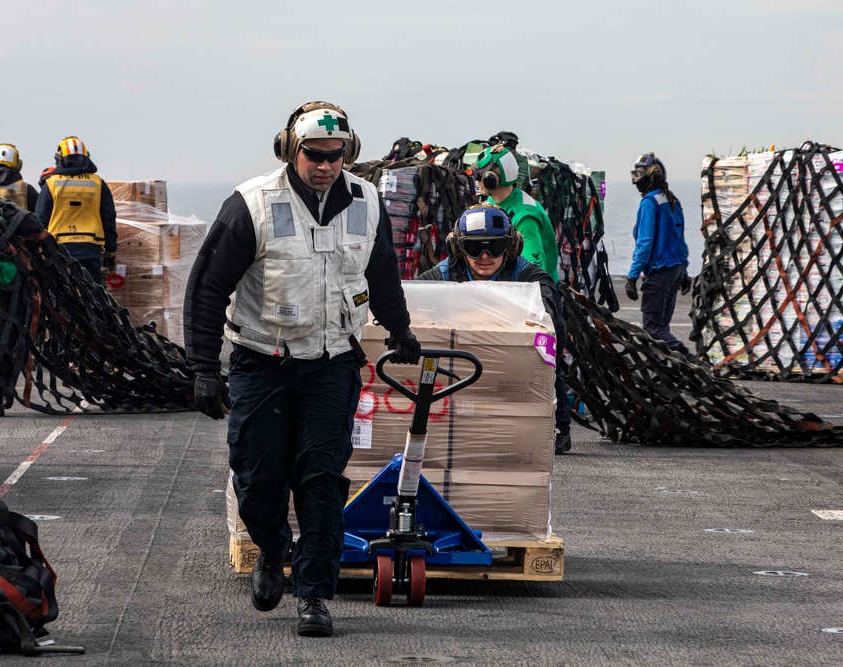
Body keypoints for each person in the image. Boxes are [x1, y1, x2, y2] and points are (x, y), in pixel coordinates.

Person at [183, 100, 420, 638]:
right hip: (261, 362)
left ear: (348, 154)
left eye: (336, 156)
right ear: (291, 150)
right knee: (260, 476)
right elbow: (206, 289)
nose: (326, 166)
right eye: (314, 155)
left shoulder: (366, 202)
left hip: (332, 363)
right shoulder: (253, 204)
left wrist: (399, 327)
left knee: (321, 480)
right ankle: (270, 548)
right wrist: (203, 368)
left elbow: (381, 271)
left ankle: (314, 594)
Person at [418, 204, 573, 453]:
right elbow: (410, 304)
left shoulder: (530, 277)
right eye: (474, 248)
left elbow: (546, 317)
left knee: (548, 352)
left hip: (515, 364)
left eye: (495, 247)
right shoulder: (441, 275)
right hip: (462, 364)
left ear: (511, 247)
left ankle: (560, 426)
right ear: (458, 248)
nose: (485, 256)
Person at [625, 152, 698, 364]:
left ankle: (690, 361)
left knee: (653, 329)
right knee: (661, 327)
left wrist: (632, 276)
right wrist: (684, 272)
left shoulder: (649, 202)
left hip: (658, 273)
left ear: (653, 176)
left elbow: (645, 242)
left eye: (641, 174)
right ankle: (663, 371)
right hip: (674, 270)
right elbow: (679, 241)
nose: (637, 180)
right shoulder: (671, 200)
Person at [35, 137, 117, 285]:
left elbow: (40, 220)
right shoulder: (98, 183)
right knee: (95, 294)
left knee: (62, 293)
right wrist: (111, 251)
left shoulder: (51, 184)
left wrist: (37, 250)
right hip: (90, 248)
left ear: (59, 158)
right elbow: (109, 218)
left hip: (59, 249)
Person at [0, 147, 40, 417]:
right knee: (6, 335)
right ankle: (0, 396)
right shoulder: (26, 190)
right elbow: (37, 226)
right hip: (11, 277)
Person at [475, 143, 559, 281]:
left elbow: (535, 273)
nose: (476, 181)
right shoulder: (490, 203)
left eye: (479, 176)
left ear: (491, 179)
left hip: (536, 294)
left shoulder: (525, 217)